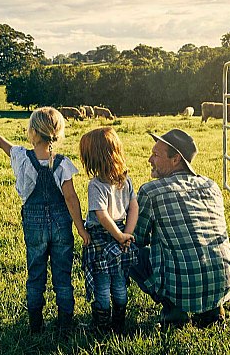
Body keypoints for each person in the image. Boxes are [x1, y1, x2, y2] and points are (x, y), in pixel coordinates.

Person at [0, 107, 90, 334]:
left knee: (35, 273)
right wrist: (81, 229)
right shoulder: (63, 163)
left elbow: (2, 143)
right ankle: (66, 324)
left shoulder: (21, 157)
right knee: (63, 276)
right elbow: (70, 197)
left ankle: (35, 325)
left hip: (34, 224)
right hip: (61, 224)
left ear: (33, 132)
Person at [131, 128, 230, 327]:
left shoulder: (151, 191)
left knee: (125, 249)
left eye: (155, 155)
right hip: (223, 285)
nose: (149, 160)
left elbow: (137, 238)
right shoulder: (211, 186)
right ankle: (212, 309)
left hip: (183, 289)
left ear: (176, 159)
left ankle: (173, 308)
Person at [78, 127, 139, 334]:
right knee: (120, 281)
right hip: (122, 234)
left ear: (93, 158)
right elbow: (134, 208)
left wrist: (120, 235)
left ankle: (102, 325)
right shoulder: (126, 179)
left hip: (102, 238)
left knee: (102, 283)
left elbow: (102, 216)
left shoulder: (96, 185)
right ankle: (119, 322)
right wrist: (126, 234)